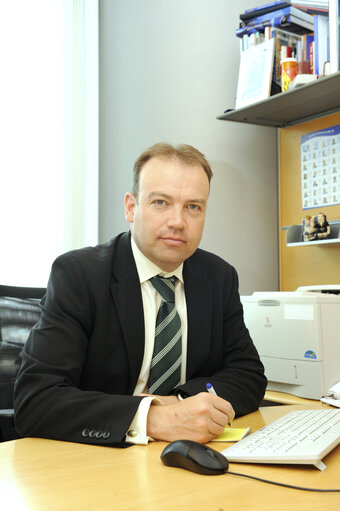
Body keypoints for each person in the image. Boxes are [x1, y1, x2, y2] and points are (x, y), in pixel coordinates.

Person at [14, 143, 267, 447]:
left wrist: (179, 401)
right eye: (161, 202)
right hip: (99, 460)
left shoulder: (219, 277)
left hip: (186, 457)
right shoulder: (79, 274)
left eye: (193, 206)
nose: (177, 221)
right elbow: (36, 400)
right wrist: (152, 418)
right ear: (131, 207)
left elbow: (247, 374)